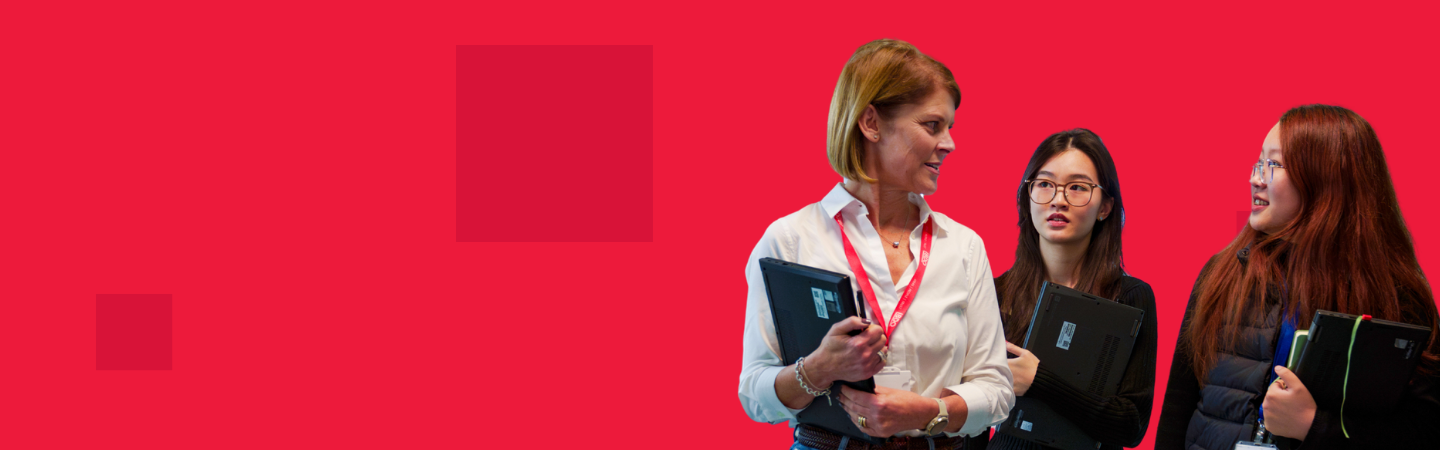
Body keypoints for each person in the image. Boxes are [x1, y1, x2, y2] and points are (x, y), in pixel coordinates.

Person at [739, 38, 1014, 450]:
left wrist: (928, 412)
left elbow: (997, 390)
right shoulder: (790, 240)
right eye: (932, 125)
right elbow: (754, 394)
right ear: (871, 123)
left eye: (950, 128)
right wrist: (817, 369)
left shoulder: (963, 246)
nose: (949, 144)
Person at [1155, 104, 1440, 450]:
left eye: (1273, 165)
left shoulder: (1395, 295)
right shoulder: (1222, 272)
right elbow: (1178, 407)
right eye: (1259, 163)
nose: (1255, 179)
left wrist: (1313, 426)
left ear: (1326, 179)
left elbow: (1424, 431)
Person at [970, 129, 1157, 450]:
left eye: (1077, 187)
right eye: (1044, 184)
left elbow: (1131, 426)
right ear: (1027, 197)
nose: (1058, 199)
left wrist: (1039, 381)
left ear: (1105, 207)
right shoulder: (996, 292)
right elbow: (974, 420)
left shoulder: (1129, 296)